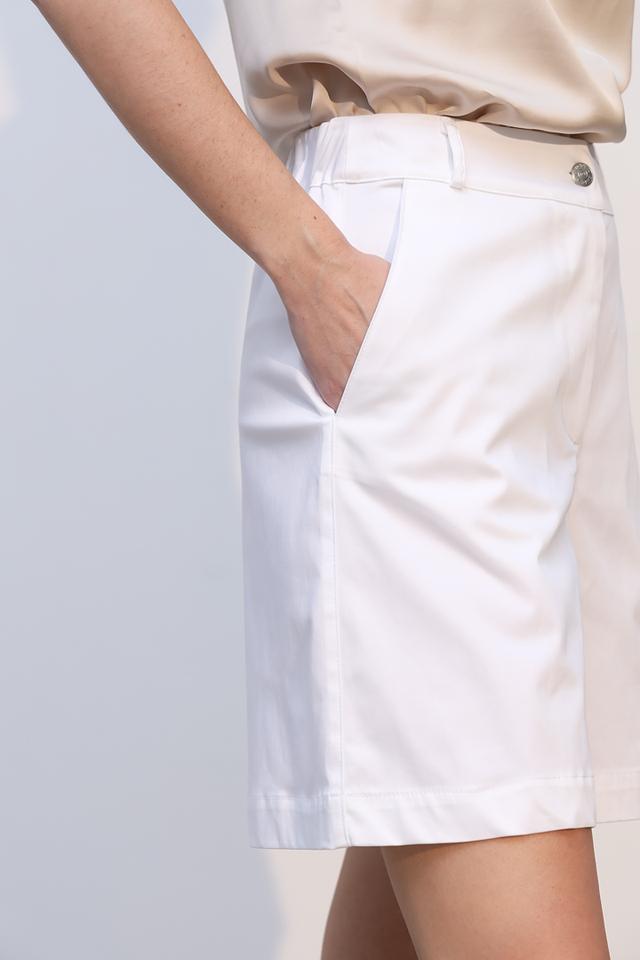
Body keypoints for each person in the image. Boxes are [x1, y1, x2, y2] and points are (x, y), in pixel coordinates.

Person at [30, 0, 639, 956]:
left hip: (564, 241)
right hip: (412, 255)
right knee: (493, 829)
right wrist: (302, 254)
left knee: (455, 824)